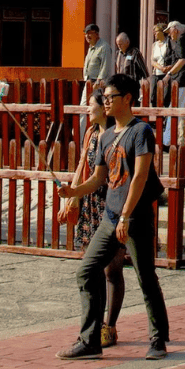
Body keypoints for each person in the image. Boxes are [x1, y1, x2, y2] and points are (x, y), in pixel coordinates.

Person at [56, 74, 169, 361]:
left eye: (111, 97)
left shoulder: (141, 131)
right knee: (87, 270)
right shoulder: (105, 136)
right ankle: (90, 340)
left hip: (136, 217)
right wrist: (73, 191)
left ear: (128, 98)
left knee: (145, 277)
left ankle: (157, 340)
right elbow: (98, 179)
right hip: (110, 216)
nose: (105, 102)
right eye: (104, 98)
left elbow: (140, 176)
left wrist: (126, 217)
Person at [58, 87, 125, 349]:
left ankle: (111, 324)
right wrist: (72, 197)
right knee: (92, 267)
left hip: (110, 204)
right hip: (90, 203)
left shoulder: (114, 135)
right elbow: (82, 167)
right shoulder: (90, 133)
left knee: (112, 269)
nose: (89, 108)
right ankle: (95, 324)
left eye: (92, 104)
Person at [149, 22, 175, 106]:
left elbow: (174, 59)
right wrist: (160, 68)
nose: (154, 33)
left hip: (167, 74)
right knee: (153, 97)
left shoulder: (170, 43)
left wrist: (168, 68)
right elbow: (152, 61)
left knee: (165, 98)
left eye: (156, 31)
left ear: (162, 31)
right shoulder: (154, 45)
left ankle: (165, 118)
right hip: (156, 73)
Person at [82, 24, 114, 88]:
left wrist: (98, 82)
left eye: (90, 33)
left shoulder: (104, 47)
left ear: (97, 34)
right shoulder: (91, 47)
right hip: (88, 82)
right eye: (86, 34)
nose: (87, 36)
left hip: (98, 84)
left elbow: (105, 66)